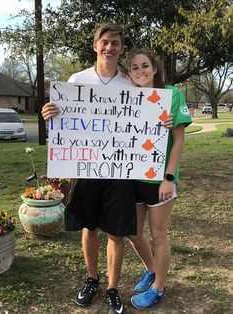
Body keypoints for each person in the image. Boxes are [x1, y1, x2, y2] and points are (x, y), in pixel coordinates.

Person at [41, 24, 173, 314]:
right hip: (87, 167)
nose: (110, 47)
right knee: (89, 227)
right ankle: (92, 279)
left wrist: (162, 121)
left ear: (121, 49)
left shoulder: (130, 82)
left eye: (115, 43)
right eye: (105, 42)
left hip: (120, 170)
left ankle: (112, 287)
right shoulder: (77, 79)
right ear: (95, 46)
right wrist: (48, 114)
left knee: (116, 231)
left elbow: (150, 110)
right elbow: (63, 119)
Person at [125, 48, 192, 310]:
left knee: (159, 235)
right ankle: (151, 269)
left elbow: (179, 140)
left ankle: (158, 288)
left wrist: (169, 177)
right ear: (129, 73)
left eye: (145, 66)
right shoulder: (126, 98)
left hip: (159, 180)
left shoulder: (171, 95)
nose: (140, 71)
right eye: (134, 67)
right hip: (131, 178)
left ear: (154, 68)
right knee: (132, 232)